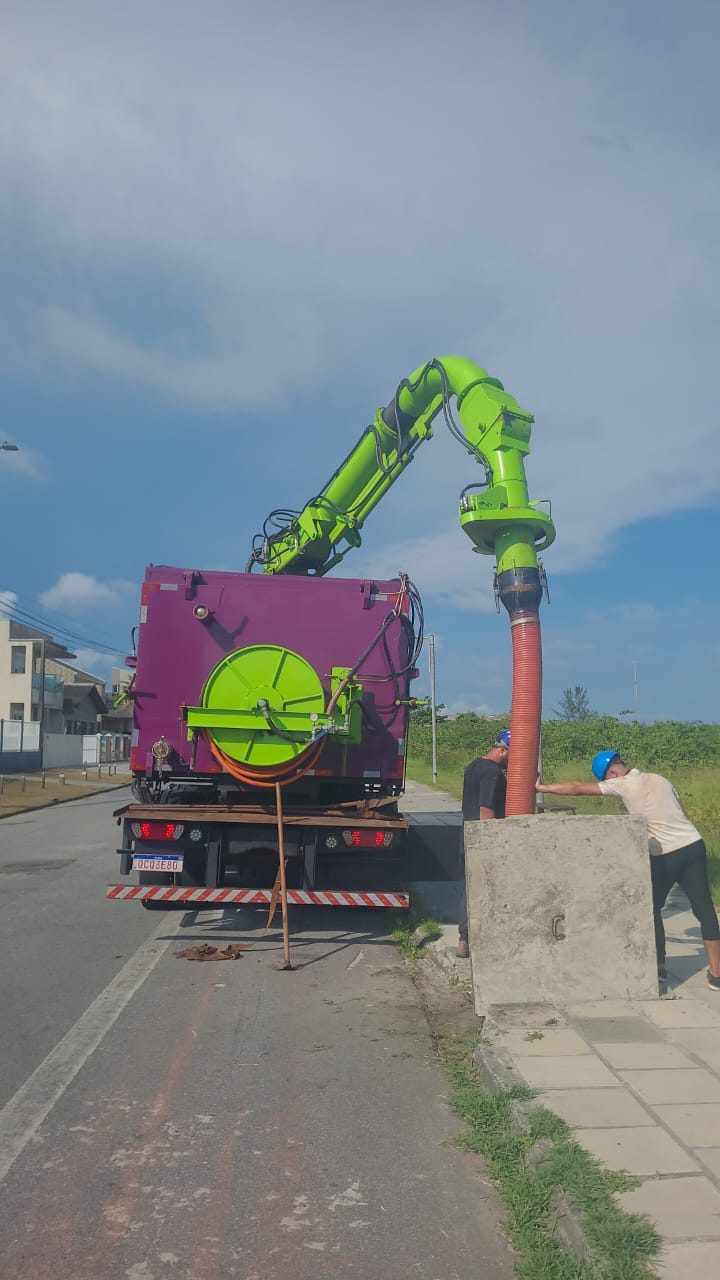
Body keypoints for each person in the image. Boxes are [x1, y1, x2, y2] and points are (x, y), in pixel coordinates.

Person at [536, 751, 720, 992]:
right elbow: (683, 813)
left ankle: (658, 968)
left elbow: (577, 788)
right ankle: (716, 975)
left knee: (652, 908)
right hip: (693, 844)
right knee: (704, 907)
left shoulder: (622, 784)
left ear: (611, 773)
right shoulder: (660, 779)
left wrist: (543, 787)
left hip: (665, 852)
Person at [457, 729, 510, 958]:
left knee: (469, 888)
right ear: (503, 749)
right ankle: (472, 938)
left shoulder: (475, 765)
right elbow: (485, 808)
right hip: (482, 838)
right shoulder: (492, 773)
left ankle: (464, 939)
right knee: (483, 889)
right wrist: (492, 843)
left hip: (467, 835)